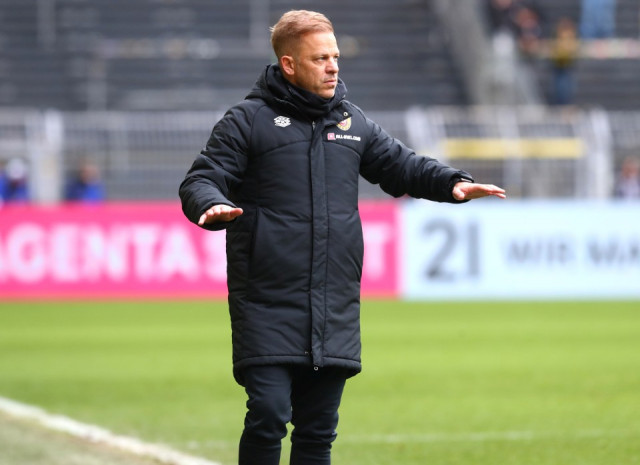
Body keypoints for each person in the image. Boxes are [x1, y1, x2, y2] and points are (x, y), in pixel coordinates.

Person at [179, 10, 506, 465]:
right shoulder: (246, 121)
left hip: (333, 302)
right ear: (289, 64)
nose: (333, 66)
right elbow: (202, 178)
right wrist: (210, 204)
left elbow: (402, 166)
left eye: (335, 57)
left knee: (317, 431)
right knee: (268, 414)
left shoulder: (352, 122)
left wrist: (451, 182)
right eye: (320, 58)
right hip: (267, 301)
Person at [549, 17, 580, 105]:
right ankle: (562, 103)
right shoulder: (558, 35)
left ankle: (566, 103)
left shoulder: (571, 34)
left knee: (567, 86)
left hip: (568, 64)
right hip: (559, 64)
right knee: (561, 87)